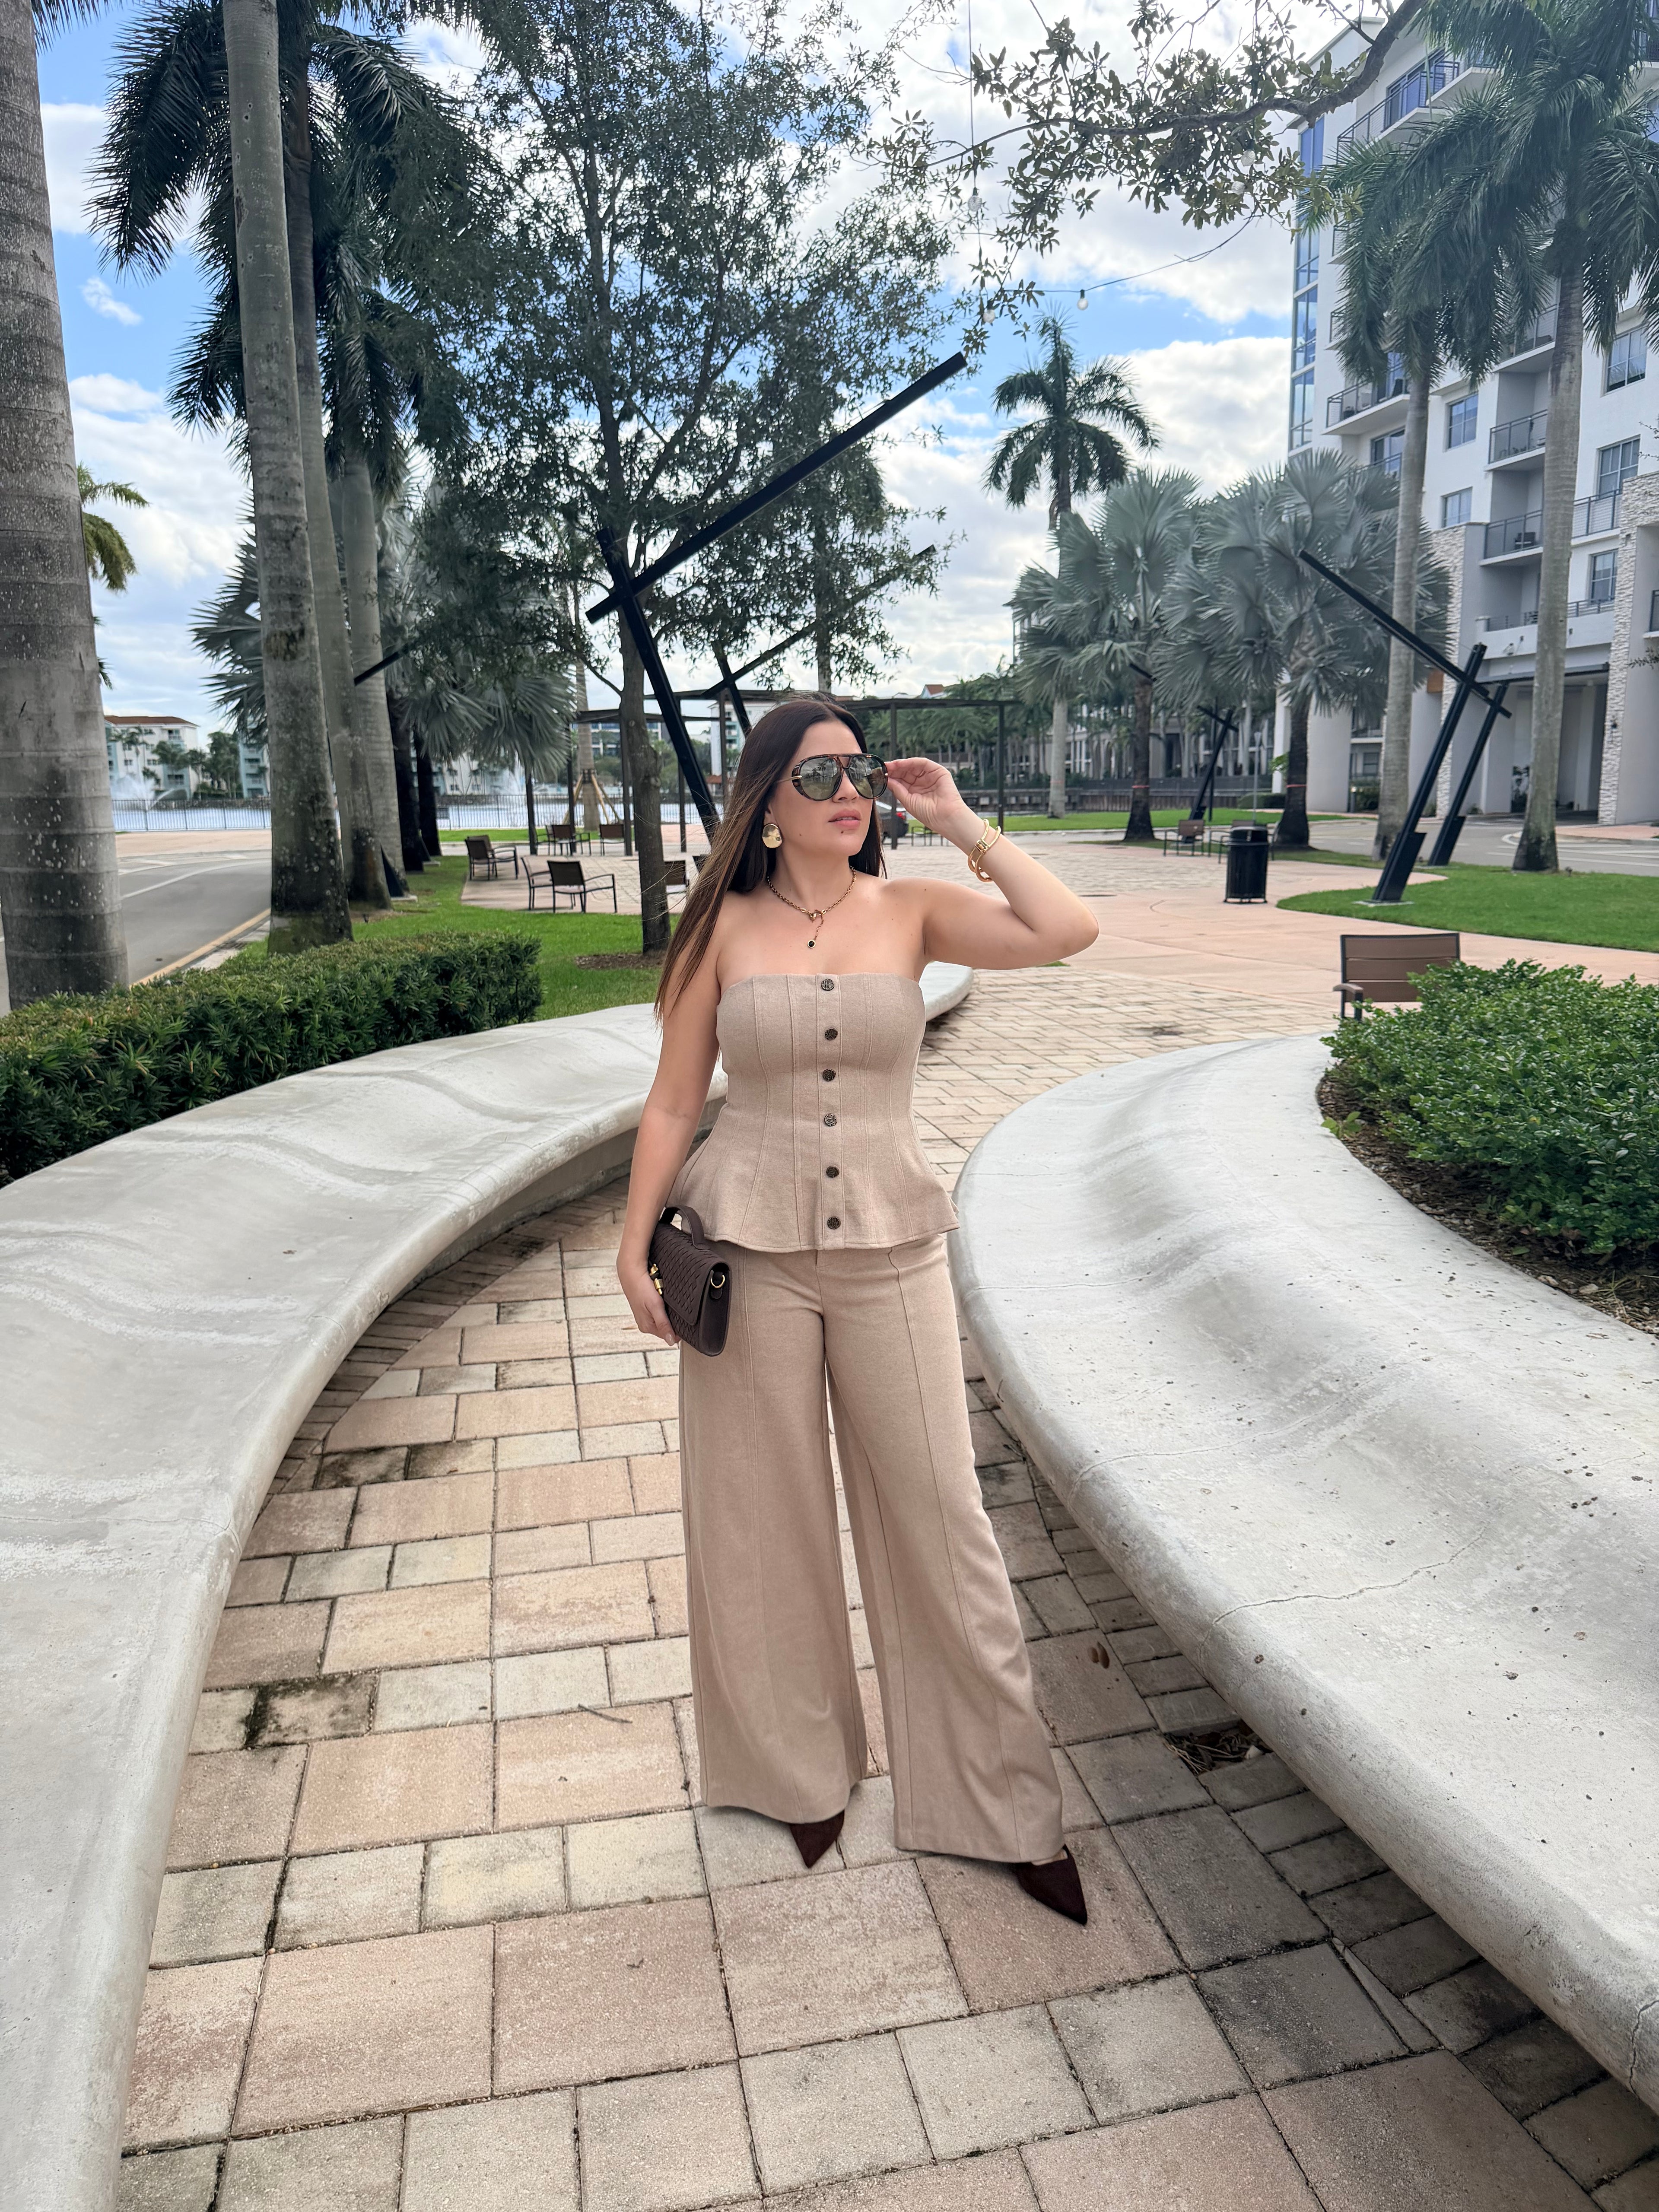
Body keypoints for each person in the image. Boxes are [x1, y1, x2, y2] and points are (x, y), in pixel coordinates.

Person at [617, 695, 1100, 1920]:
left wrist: (958, 821)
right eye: (819, 771)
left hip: (893, 1246)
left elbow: (1067, 930)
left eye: (861, 772)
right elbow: (676, 1102)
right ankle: (797, 1776)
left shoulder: (914, 909)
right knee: (759, 1520)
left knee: (945, 1520)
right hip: (748, 1249)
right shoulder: (718, 931)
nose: (850, 790)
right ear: (768, 800)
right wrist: (633, 1248)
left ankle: (998, 1802)